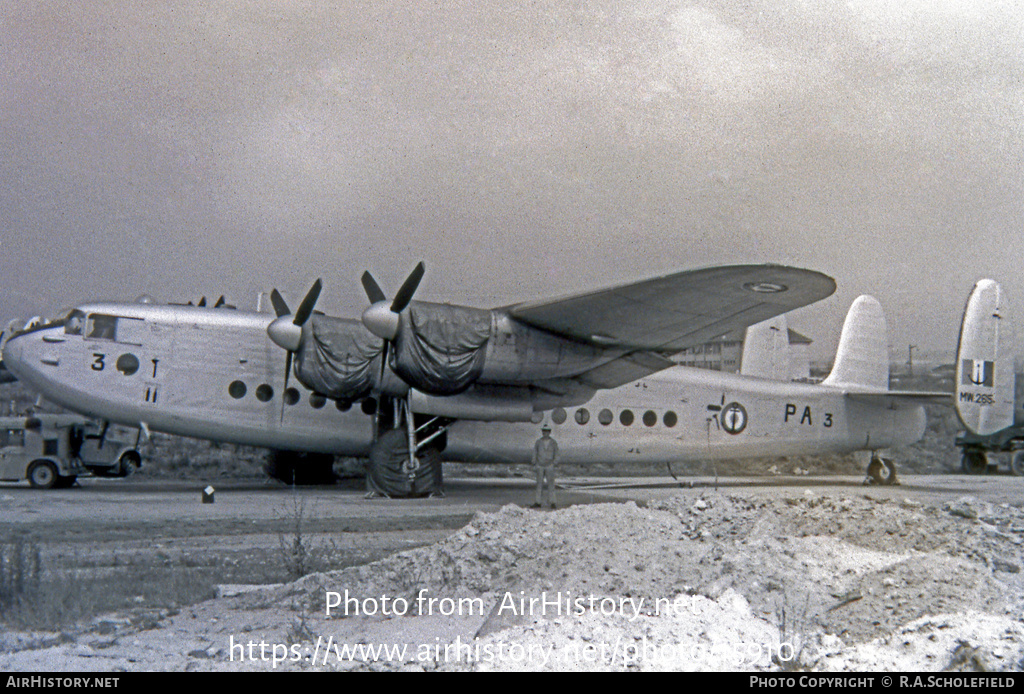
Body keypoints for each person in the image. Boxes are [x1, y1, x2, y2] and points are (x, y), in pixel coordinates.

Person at [531, 424, 559, 509]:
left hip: (549, 465)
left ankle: (553, 502)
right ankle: (538, 502)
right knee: (539, 484)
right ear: (542, 432)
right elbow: (535, 452)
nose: (545, 433)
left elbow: (556, 453)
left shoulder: (553, 442)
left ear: (549, 432)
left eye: (547, 431)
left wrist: (554, 463)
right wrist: (534, 462)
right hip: (540, 465)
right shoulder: (538, 442)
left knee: (551, 484)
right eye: (544, 431)